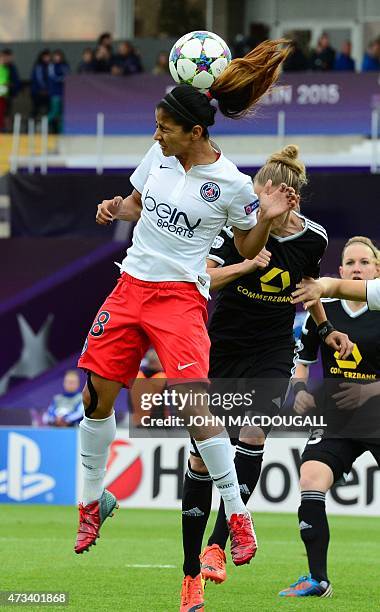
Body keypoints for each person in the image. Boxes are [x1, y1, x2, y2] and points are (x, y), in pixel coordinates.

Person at [74, 38, 297, 610]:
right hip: (130, 286)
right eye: (155, 126)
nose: (156, 135)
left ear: (194, 133)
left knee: (198, 408)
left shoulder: (233, 184)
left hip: (180, 297)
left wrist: (267, 221)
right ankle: (92, 503)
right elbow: (136, 202)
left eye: (164, 128)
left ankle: (239, 520)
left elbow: (248, 243)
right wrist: (114, 208)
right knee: (96, 396)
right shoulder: (158, 158)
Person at [180, 146, 352, 593]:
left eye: (265, 198)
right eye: (256, 198)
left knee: (255, 434)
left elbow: (309, 289)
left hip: (273, 349)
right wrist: (247, 264)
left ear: (289, 198)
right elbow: (203, 278)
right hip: (223, 346)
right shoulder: (236, 228)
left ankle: (219, 543)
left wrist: (326, 326)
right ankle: (190, 568)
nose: (256, 204)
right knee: (202, 453)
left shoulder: (315, 238)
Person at [280, 236, 380, 597]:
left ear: (376, 271)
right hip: (338, 418)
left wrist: (371, 390)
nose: (357, 268)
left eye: (364, 262)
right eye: (350, 263)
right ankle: (317, 579)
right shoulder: (322, 311)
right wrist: (302, 392)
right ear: (340, 271)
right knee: (310, 476)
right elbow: (301, 366)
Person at [47, 49, 70, 133]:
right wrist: (62, 79)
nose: (57, 57)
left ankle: (62, 131)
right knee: (55, 111)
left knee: (62, 113)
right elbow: (53, 77)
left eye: (59, 56)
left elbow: (68, 76)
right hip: (55, 93)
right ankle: (42, 124)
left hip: (64, 93)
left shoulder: (65, 65)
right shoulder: (51, 66)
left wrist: (64, 78)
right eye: (56, 56)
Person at [30, 49, 51, 119]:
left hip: (46, 92)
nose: (48, 58)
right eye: (46, 57)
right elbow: (40, 79)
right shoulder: (39, 66)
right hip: (37, 92)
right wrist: (44, 89)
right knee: (36, 110)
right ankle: (31, 126)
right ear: (42, 57)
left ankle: (48, 127)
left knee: (48, 109)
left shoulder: (49, 66)